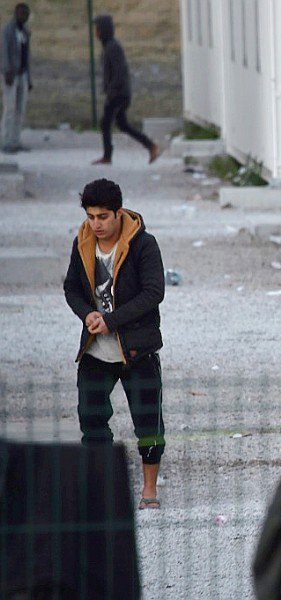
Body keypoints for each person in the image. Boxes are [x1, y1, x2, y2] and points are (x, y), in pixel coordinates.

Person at [64, 178, 166, 510]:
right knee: (91, 419)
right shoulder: (82, 243)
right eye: (91, 217)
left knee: (148, 421)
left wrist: (111, 319)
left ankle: (149, 489)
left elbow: (154, 293)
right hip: (95, 349)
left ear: (118, 213)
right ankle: (103, 489)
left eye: (103, 217)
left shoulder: (143, 244)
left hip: (137, 350)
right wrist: (87, 314)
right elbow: (71, 288)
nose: (96, 224)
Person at [91, 15, 159, 165]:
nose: (95, 33)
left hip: (118, 94)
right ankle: (150, 146)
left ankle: (108, 156)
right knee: (121, 124)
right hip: (118, 92)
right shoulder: (108, 46)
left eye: (97, 29)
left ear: (103, 30)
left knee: (106, 123)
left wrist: (112, 91)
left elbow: (120, 72)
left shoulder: (113, 47)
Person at [1, 3, 32, 154]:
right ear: (16, 14)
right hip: (11, 75)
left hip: (23, 74)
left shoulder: (25, 32)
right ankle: (6, 141)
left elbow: (27, 55)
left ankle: (16, 140)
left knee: (20, 109)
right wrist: (6, 71)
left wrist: (29, 78)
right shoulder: (8, 30)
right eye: (22, 14)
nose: (24, 17)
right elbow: (4, 51)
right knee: (10, 108)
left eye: (26, 14)